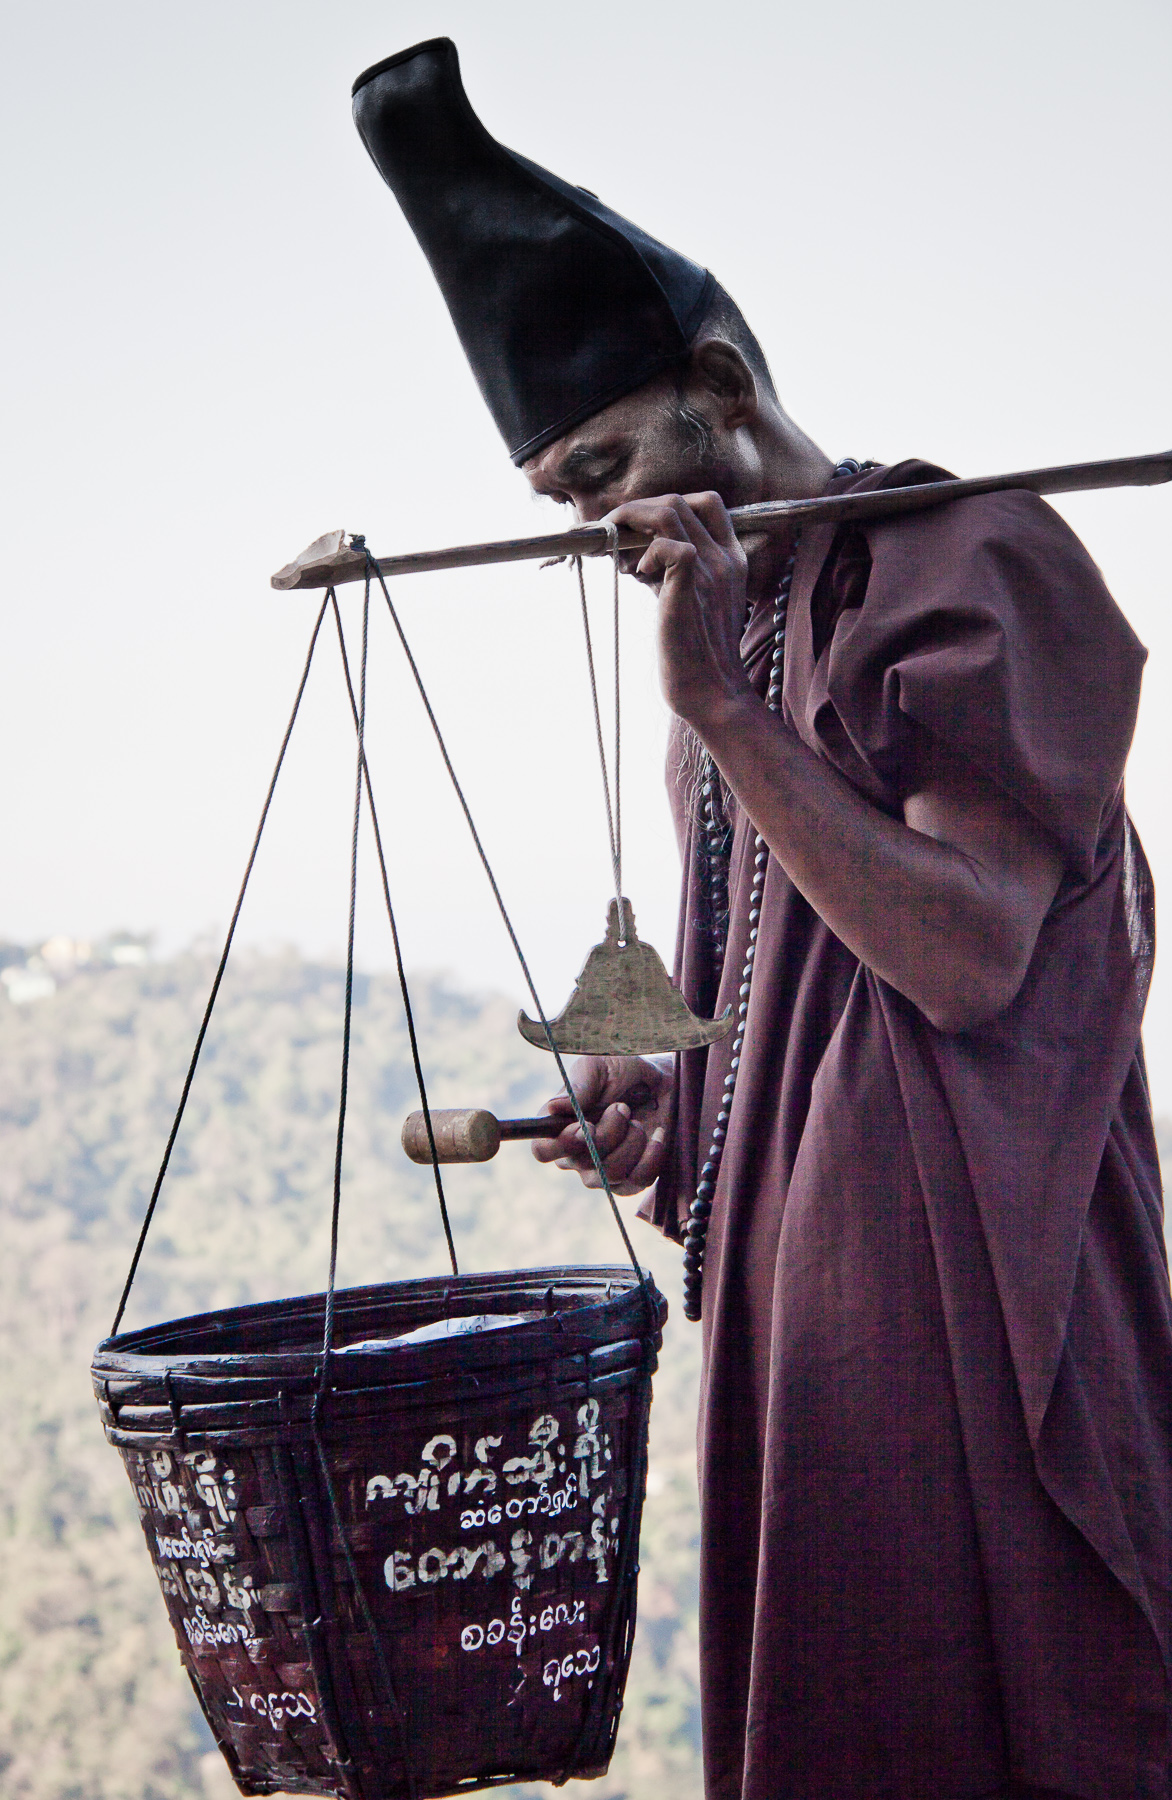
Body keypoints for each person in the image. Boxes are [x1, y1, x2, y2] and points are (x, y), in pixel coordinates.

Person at [353, 39, 1170, 1800]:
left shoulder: (964, 560)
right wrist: (665, 1121)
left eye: (608, 468)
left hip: (978, 1317)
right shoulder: (732, 640)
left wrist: (723, 710)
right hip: (816, 1322)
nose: (595, 528)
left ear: (719, 383)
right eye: (564, 499)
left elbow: (963, 956)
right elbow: (774, 1007)